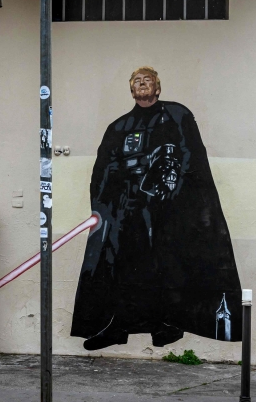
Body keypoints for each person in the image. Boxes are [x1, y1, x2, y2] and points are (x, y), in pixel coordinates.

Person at [70, 66, 242, 350]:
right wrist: (106, 208)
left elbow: (190, 156)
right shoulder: (119, 126)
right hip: (128, 211)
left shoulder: (177, 115)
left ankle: (166, 325)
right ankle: (119, 325)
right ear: (131, 89)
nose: (141, 83)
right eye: (136, 80)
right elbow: (104, 168)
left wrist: (172, 189)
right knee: (123, 266)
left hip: (167, 210)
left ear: (157, 88)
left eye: (147, 80)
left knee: (165, 265)